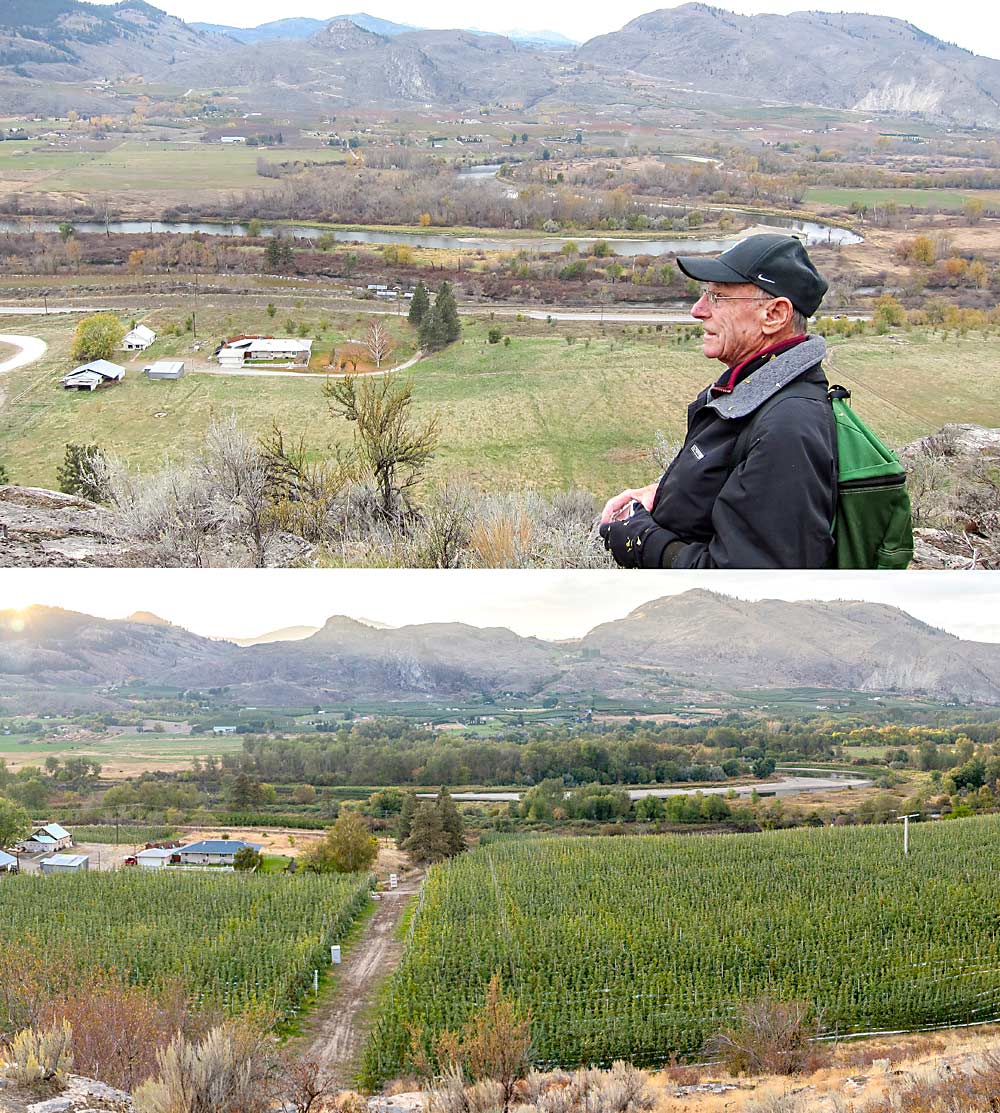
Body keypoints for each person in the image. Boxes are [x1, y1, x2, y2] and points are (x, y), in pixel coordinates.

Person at [599, 233, 837, 569]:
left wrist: (642, 540)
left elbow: (747, 586)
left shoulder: (787, 428)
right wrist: (662, 494)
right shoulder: (749, 392)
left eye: (717, 296)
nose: (698, 310)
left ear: (774, 314)